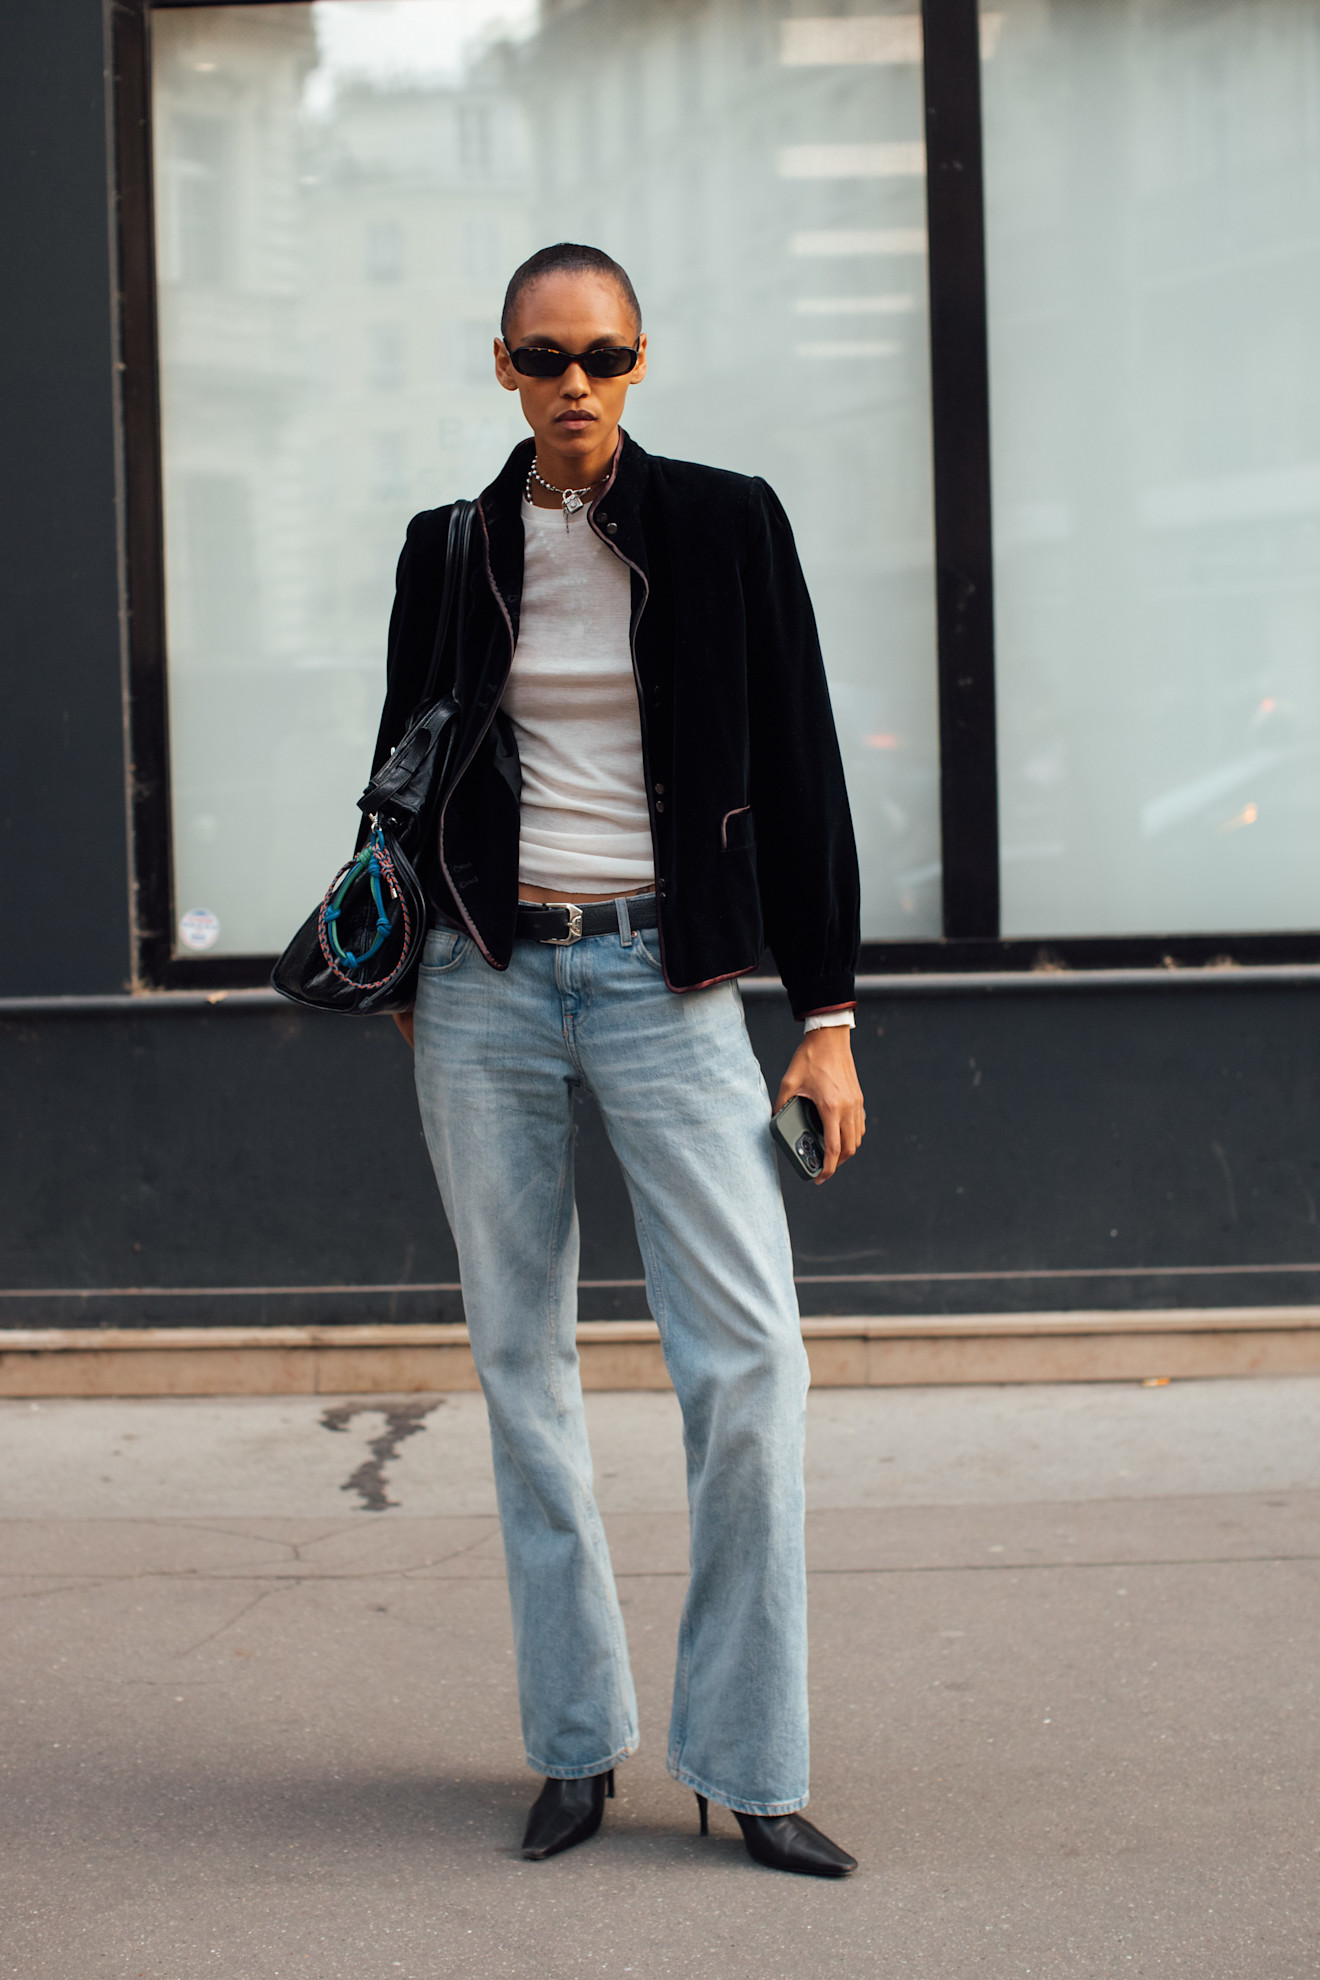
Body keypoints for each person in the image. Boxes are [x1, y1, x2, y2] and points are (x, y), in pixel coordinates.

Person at [374, 243, 865, 1876]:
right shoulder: (447, 548)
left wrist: (831, 1017)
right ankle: (576, 1745)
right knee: (524, 1371)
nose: (573, 384)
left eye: (603, 356)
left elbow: (800, 764)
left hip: (674, 979)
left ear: (641, 362)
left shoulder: (726, 522)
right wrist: (408, 964)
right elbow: (404, 771)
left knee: (749, 1367)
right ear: (499, 365)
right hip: (488, 985)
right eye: (542, 356)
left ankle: (752, 1761)